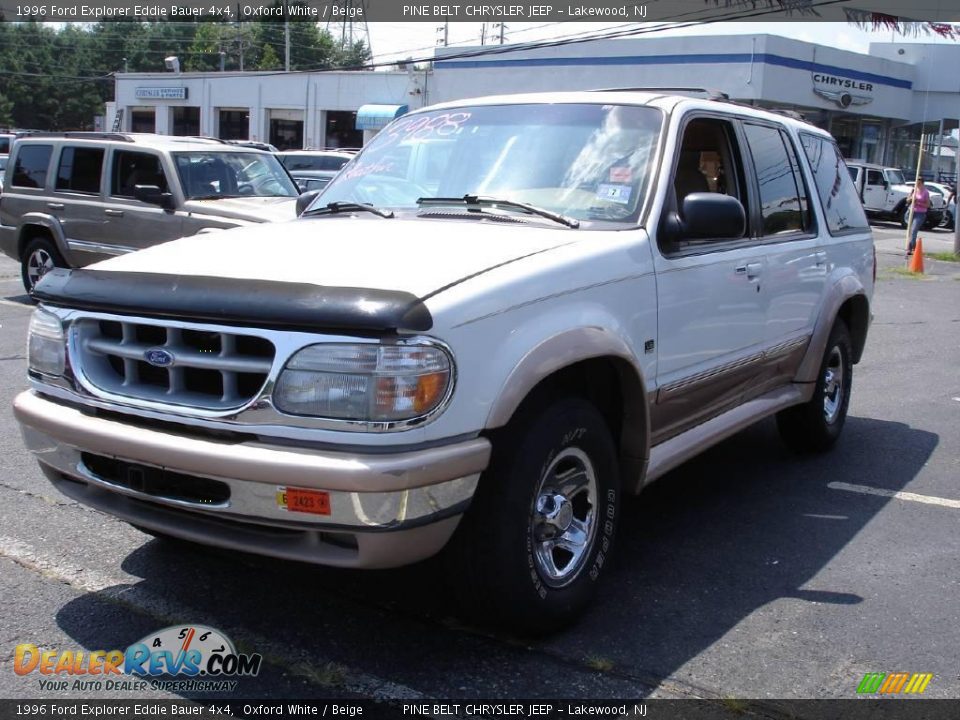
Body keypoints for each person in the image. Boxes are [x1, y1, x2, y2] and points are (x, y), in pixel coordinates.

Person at [906, 177, 930, 256]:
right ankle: (912, 247)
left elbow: (928, 205)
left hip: (920, 213)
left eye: (919, 183)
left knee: (914, 230)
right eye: (916, 183)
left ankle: (911, 248)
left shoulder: (925, 192)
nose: (917, 184)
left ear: (922, 183)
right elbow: (907, 200)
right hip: (911, 212)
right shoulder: (914, 190)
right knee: (910, 231)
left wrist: (918, 203)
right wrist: (911, 198)